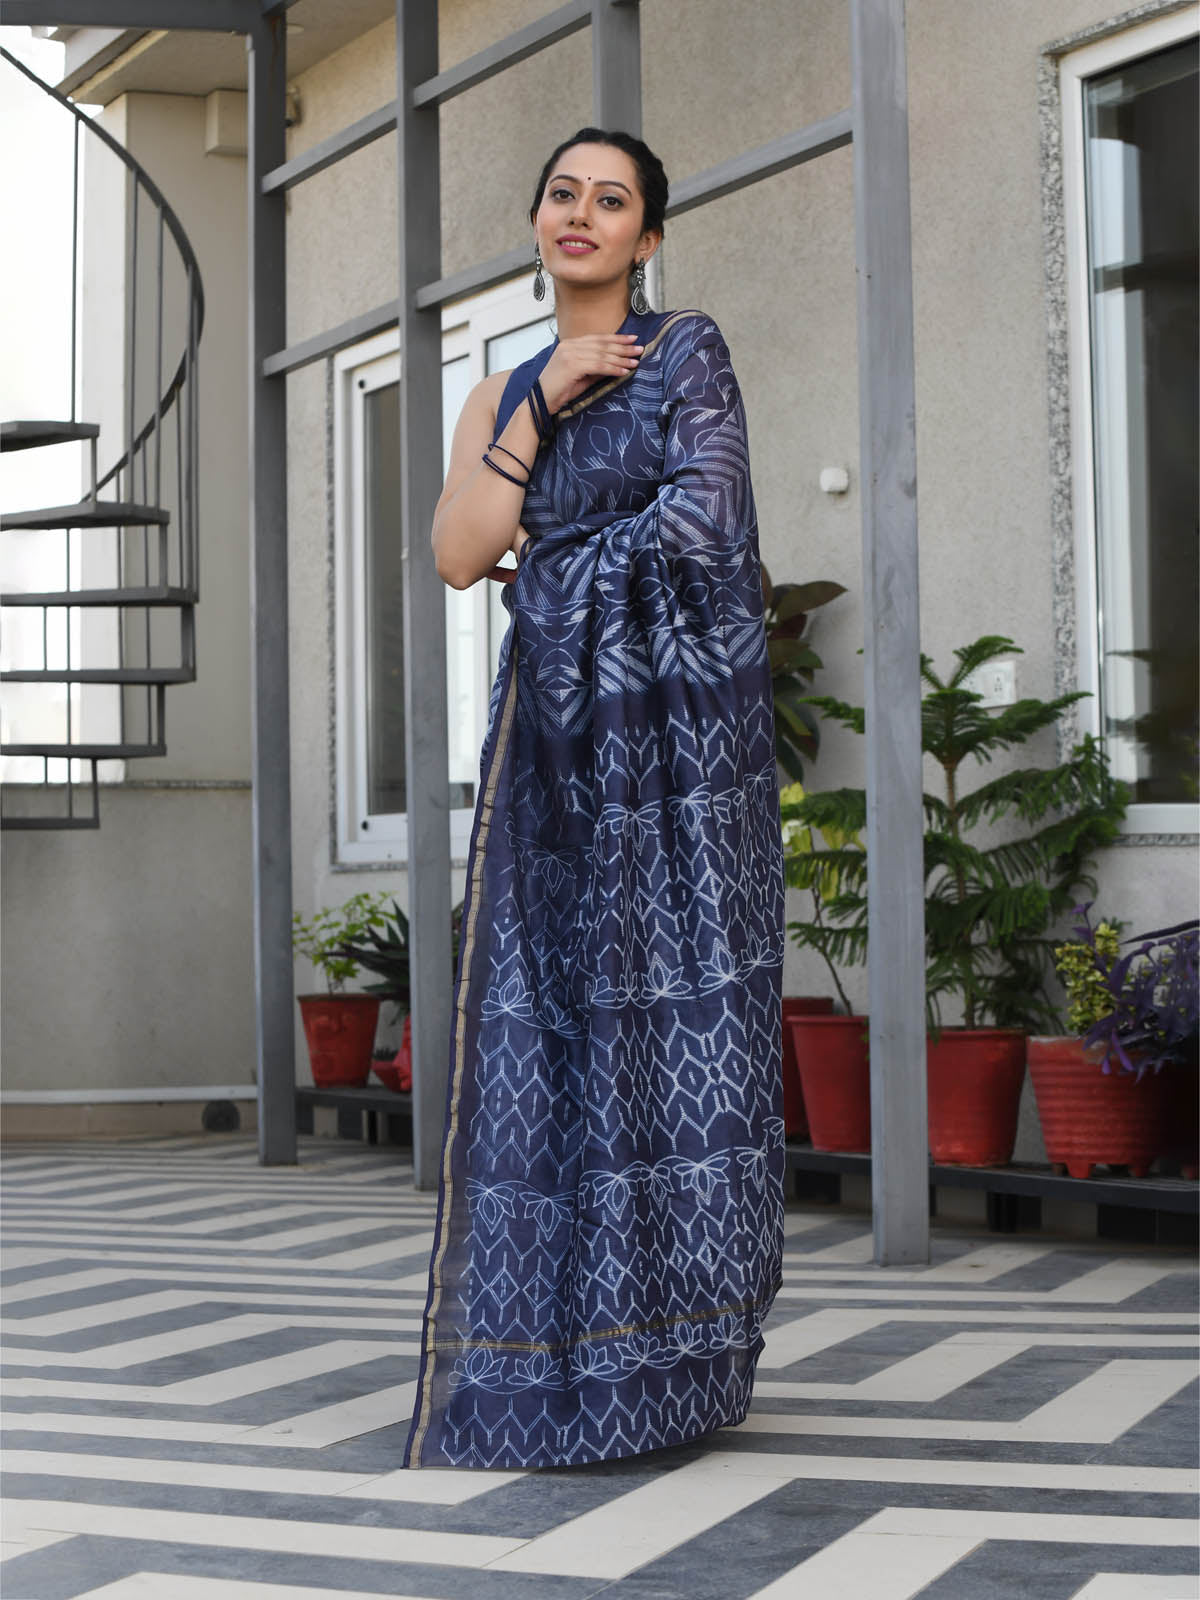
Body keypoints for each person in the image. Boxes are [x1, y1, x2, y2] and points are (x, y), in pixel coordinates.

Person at [404, 127, 785, 1470]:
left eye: (610, 200)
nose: (581, 213)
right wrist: (545, 401)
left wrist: (556, 559)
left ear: (647, 237)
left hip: (682, 771)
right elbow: (460, 554)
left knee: (681, 1035)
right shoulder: (503, 390)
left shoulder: (687, 353)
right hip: (555, 759)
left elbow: (708, 524)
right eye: (562, 193)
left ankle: (680, 1359)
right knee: (552, 1036)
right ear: (538, 220)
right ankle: (555, 1351)